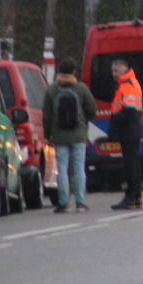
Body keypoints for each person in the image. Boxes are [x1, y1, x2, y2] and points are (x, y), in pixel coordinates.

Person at [43, 57, 97, 213]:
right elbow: (92, 109)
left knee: (62, 168)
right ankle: (80, 202)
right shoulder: (81, 88)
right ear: (74, 71)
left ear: (59, 71)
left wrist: (48, 135)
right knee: (79, 167)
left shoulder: (52, 89)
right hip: (78, 134)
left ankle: (63, 202)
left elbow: (47, 115)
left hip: (59, 135)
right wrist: (84, 121)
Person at [109, 58, 143, 210]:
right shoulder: (128, 83)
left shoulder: (128, 85)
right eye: (113, 71)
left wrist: (116, 118)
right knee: (133, 165)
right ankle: (135, 197)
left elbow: (129, 110)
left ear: (124, 70)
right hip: (131, 130)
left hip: (128, 130)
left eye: (116, 71)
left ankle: (131, 198)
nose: (114, 74)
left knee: (130, 166)